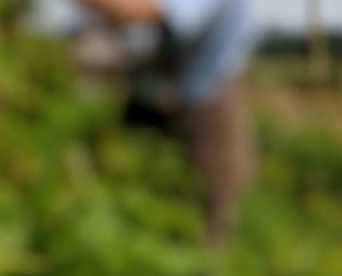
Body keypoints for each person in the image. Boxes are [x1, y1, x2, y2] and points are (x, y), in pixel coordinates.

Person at [44, 0, 257, 245]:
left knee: (200, 226)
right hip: (151, 99)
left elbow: (146, 14)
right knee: (130, 211)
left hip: (203, 107)